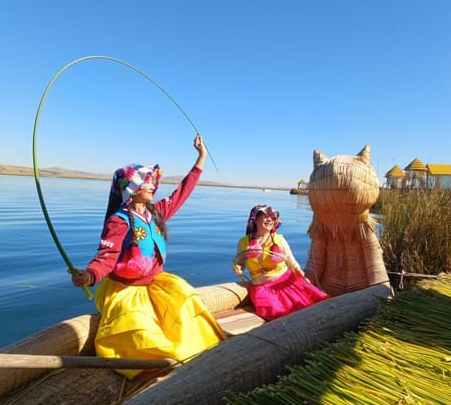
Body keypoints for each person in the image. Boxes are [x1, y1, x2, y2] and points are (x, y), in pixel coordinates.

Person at [71, 134, 226, 379]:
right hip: (126, 289)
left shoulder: (156, 212)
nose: (154, 186)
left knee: (186, 301)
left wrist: (201, 157)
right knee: (139, 330)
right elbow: (106, 256)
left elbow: (182, 193)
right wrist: (90, 276)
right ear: (131, 188)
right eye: (147, 182)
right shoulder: (119, 221)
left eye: (154, 181)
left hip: (156, 283)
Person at [233, 204, 330, 320]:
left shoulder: (279, 239)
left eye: (273, 217)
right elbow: (240, 262)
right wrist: (238, 268)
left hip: (287, 282)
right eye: (265, 216)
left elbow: (291, 261)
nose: (270, 220)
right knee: (274, 311)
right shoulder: (244, 242)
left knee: (310, 306)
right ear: (255, 219)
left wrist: (303, 278)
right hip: (261, 287)